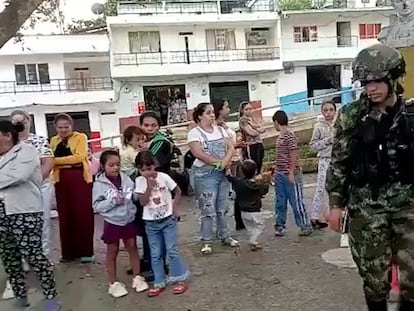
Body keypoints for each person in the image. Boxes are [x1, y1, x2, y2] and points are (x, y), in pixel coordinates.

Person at [326, 44, 414, 310]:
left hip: (408, 204)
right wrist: (335, 204)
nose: (370, 87)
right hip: (367, 205)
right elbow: (339, 161)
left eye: (376, 80)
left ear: (393, 78)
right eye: (366, 82)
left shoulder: (411, 115)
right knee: (375, 279)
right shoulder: (352, 116)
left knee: (413, 279)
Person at [0, 120, 60, 310]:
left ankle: (51, 297)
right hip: (3, 212)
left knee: (33, 255)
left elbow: (18, 176)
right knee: (9, 257)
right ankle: (20, 295)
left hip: (24, 211)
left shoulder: (26, 151)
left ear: (7, 135)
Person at [92, 150, 148, 298]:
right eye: (111, 165)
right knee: (112, 250)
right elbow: (96, 206)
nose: (115, 168)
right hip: (112, 222)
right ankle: (113, 283)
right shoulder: (99, 184)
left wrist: (141, 191)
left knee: (132, 247)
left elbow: (134, 195)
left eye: (117, 164)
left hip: (128, 219)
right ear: (103, 166)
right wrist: (112, 202)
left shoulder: (126, 179)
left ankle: (137, 277)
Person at [135, 151, 189, 297]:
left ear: (155, 166)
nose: (146, 172)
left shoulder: (164, 177)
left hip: (167, 219)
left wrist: (175, 208)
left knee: (171, 249)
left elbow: (177, 191)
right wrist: (148, 186)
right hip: (151, 223)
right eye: (143, 170)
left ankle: (180, 279)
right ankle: (159, 281)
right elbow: (142, 202)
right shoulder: (139, 181)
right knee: (155, 253)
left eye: (149, 168)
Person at [188, 103, 239, 255]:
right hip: (205, 176)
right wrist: (218, 163)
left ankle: (225, 235)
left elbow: (231, 147)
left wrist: (225, 162)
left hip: (222, 174)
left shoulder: (221, 130)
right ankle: (206, 240)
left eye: (212, 112)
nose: (212, 115)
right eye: (208, 113)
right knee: (208, 208)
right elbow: (198, 153)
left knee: (223, 207)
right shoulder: (194, 133)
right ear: (199, 116)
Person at [50, 113, 94, 263]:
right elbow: (50, 161)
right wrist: (56, 162)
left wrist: (55, 161)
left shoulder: (80, 137)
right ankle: (68, 253)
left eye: (66, 127)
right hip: (60, 180)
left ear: (72, 126)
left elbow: (79, 157)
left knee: (82, 214)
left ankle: (86, 252)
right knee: (65, 215)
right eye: (60, 127)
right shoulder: (53, 141)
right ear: (55, 127)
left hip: (79, 177)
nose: (63, 130)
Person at [272, 110, 312, 237]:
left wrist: (291, 170)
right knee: (280, 201)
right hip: (280, 173)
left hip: (290, 173)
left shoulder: (289, 135)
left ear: (276, 122)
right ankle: (280, 225)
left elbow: (293, 153)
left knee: (296, 201)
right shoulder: (281, 136)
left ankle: (304, 225)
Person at [212, 98, 246, 231]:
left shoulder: (223, 125)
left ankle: (236, 223)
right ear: (220, 110)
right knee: (222, 199)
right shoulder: (216, 127)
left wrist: (237, 145)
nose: (229, 109)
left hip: (234, 161)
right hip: (226, 164)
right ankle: (220, 229)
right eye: (226, 107)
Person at [226, 160, 269, 251]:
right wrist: (264, 181)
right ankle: (253, 241)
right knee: (259, 226)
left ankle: (253, 241)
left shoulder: (238, 182)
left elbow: (229, 177)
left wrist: (228, 167)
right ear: (256, 171)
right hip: (255, 211)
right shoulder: (256, 185)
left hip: (243, 211)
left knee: (250, 228)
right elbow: (264, 190)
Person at [308, 100, 336, 229]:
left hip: (337, 160)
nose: (328, 113)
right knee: (320, 189)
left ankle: (334, 216)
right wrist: (327, 141)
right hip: (324, 159)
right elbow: (313, 146)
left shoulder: (339, 124)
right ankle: (314, 217)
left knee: (338, 189)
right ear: (322, 112)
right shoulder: (318, 126)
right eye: (326, 110)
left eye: (331, 110)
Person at [239, 101, 265, 173]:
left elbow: (263, 129)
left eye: (250, 109)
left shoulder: (252, 119)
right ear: (242, 110)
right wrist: (257, 130)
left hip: (258, 142)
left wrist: (255, 128)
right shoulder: (243, 120)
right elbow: (251, 132)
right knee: (253, 165)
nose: (249, 111)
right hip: (251, 145)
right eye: (246, 109)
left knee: (259, 163)